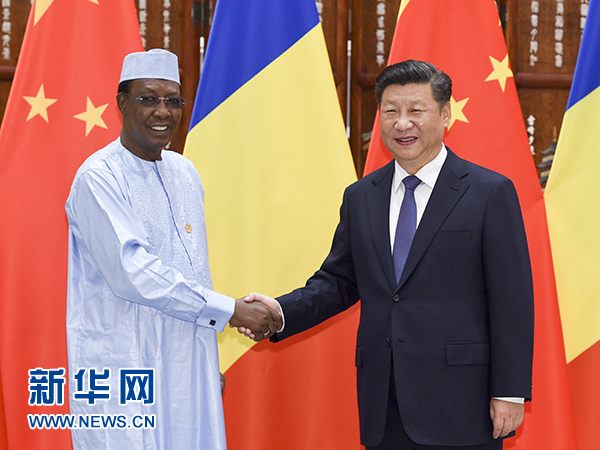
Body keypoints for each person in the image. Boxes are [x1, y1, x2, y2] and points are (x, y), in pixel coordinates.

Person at [244, 60, 534, 449]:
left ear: (445, 114)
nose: (402, 123)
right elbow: (340, 282)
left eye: (416, 110)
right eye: (391, 111)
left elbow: (512, 300)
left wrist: (509, 391)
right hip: (385, 400)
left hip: (462, 402)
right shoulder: (361, 196)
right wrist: (281, 312)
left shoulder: (488, 192)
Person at [65, 49, 281, 449]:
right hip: (125, 364)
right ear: (122, 103)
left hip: (187, 365)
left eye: (173, 101)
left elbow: (194, 270)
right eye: (148, 99)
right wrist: (229, 309)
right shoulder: (99, 176)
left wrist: (202, 360)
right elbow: (134, 272)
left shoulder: (185, 172)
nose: (162, 112)